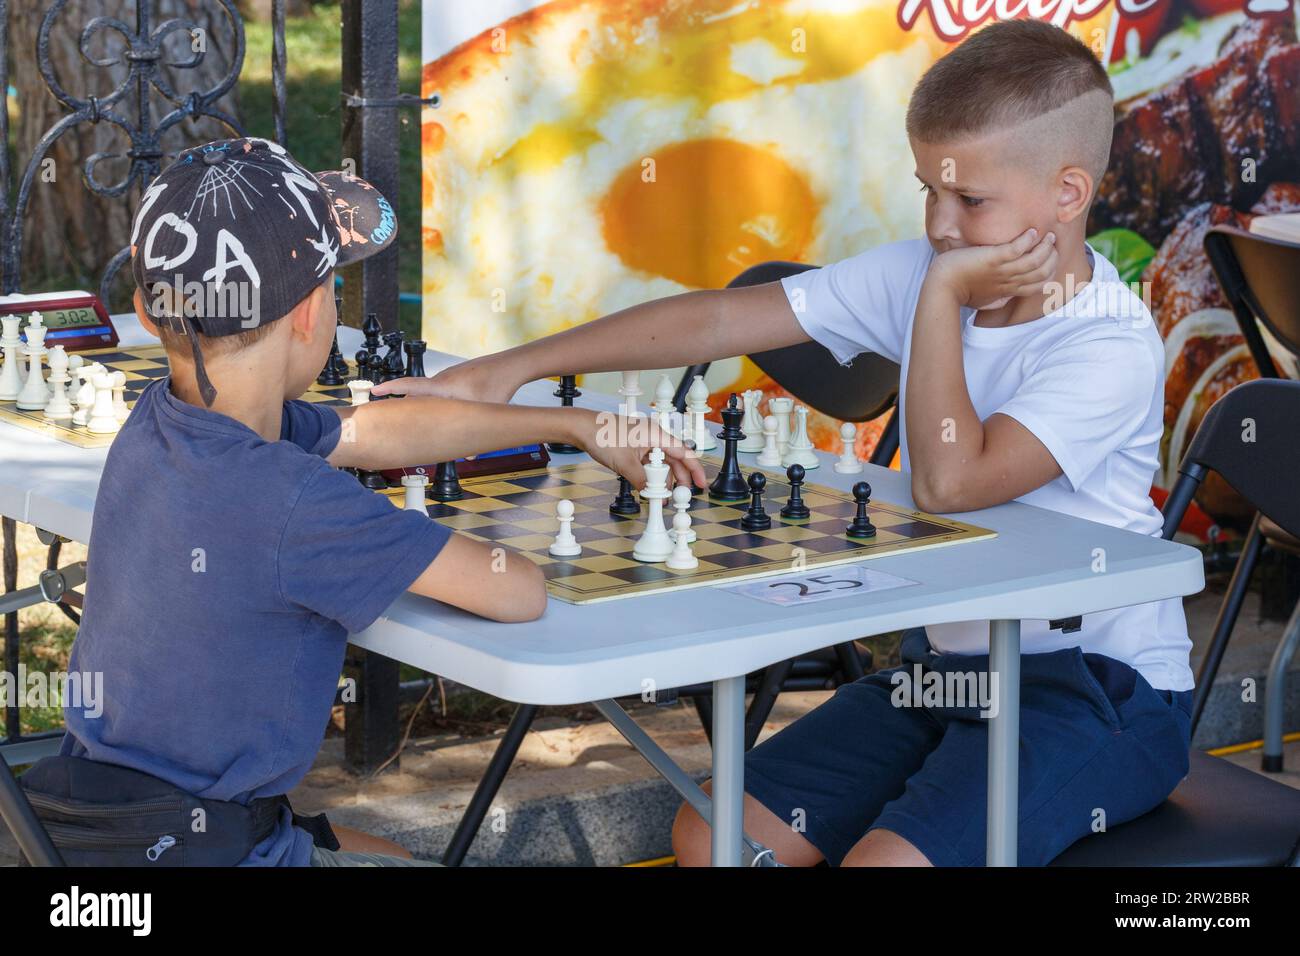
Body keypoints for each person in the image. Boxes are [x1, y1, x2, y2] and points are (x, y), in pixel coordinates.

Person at [381, 21, 1194, 866]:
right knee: (710, 838)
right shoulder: (927, 267)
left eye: (969, 201)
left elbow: (952, 483)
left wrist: (942, 294)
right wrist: (506, 370)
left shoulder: (1104, 341)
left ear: (1069, 193)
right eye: (929, 191)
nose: (940, 226)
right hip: (947, 674)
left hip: (1099, 692)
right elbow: (722, 317)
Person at [54, 136, 702, 867]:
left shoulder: (164, 424)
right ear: (309, 315)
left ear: (148, 306)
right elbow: (517, 593)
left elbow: (367, 432)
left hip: (104, 835)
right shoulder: (295, 502)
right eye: (335, 287)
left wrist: (567, 424)